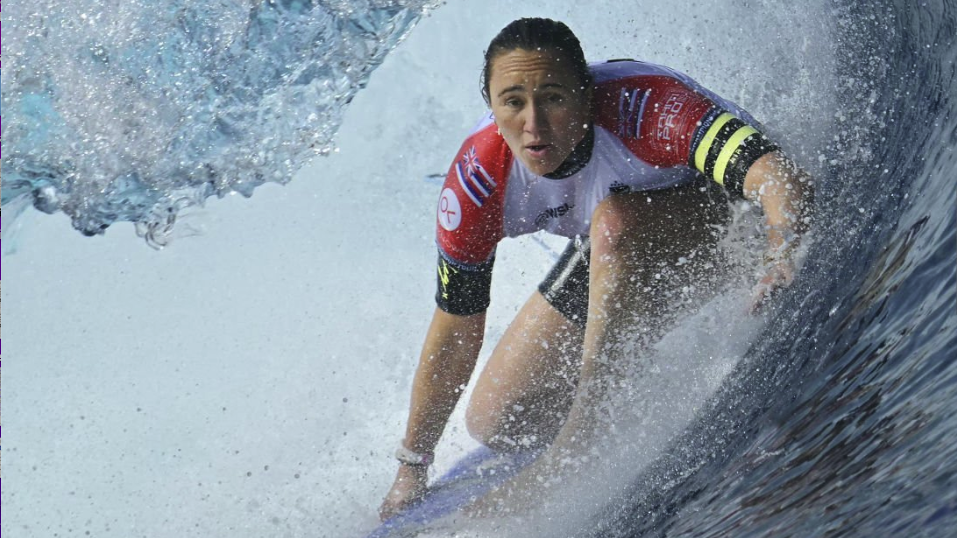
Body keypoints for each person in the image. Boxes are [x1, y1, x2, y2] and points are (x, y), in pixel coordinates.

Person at [379, 17, 812, 520]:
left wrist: (782, 253)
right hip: (624, 249)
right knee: (499, 419)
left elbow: (777, 177)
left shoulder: (646, 109)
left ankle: (581, 440)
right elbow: (455, 329)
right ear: (492, 107)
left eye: (554, 98)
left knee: (613, 225)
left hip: (737, 224)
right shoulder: (477, 182)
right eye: (513, 102)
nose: (534, 124)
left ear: (587, 96)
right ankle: (626, 383)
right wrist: (412, 466)